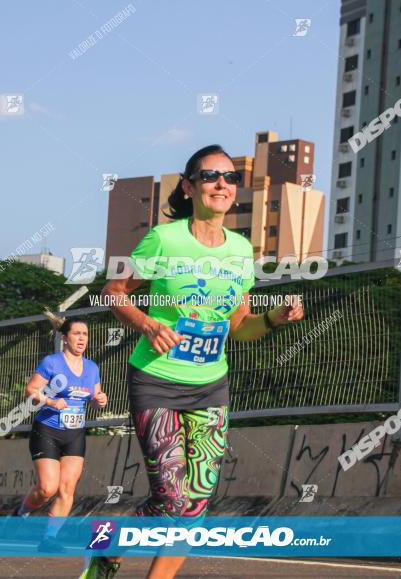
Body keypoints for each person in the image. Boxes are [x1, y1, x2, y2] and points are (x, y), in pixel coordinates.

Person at [83, 144, 305, 579]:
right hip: (157, 379)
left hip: (211, 385)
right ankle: (108, 544)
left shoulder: (242, 250)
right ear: (188, 187)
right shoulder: (164, 239)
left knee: (197, 501)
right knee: (169, 498)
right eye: (209, 176)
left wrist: (275, 319)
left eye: (229, 177)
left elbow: (239, 325)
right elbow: (114, 293)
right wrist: (148, 325)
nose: (221, 184)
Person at [12, 318, 108, 553]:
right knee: (47, 488)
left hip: (75, 434)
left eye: (85, 334)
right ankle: (21, 512)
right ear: (65, 337)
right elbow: (31, 390)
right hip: (47, 430)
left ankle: (49, 539)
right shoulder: (52, 363)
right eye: (77, 333)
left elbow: (95, 399)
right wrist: (51, 401)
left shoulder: (92, 368)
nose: (82, 338)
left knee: (67, 489)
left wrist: (100, 400)